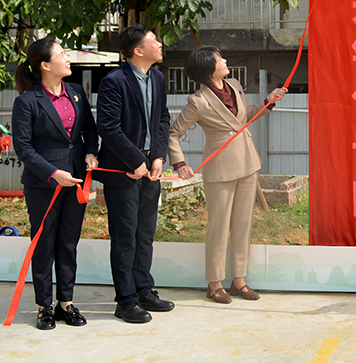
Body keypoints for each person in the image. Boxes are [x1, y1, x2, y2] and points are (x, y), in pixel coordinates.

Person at [168, 46, 287, 304]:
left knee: (244, 224)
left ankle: (239, 281)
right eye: (219, 59)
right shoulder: (198, 101)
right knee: (219, 227)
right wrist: (180, 164)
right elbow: (173, 133)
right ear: (208, 70)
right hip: (220, 169)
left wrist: (269, 100)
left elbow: (247, 116)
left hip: (248, 163)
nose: (225, 60)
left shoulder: (234, 85)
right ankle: (214, 284)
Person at [11, 37, 99, 330]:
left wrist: (90, 152)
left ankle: (66, 303)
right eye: (61, 54)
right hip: (43, 185)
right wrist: (53, 173)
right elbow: (23, 148)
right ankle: (44, 306)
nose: (67, 58)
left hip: (75, 180)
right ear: (45, 65)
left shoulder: (76, 92)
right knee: (44, 243)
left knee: (68, 242)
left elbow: (89, 129)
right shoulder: (27, 101)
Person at [93, 24, 172, 323]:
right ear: (138, 50)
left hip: (150, 168)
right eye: (153, 40)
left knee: (145, 234)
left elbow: (162, 118)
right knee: (125, 236)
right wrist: (136, 160)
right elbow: (108, 127)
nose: (159, 43)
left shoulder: (158, 78)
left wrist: (159, 156)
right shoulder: (114, 81)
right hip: (123, 170)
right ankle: (125, 300)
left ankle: (143, 290)